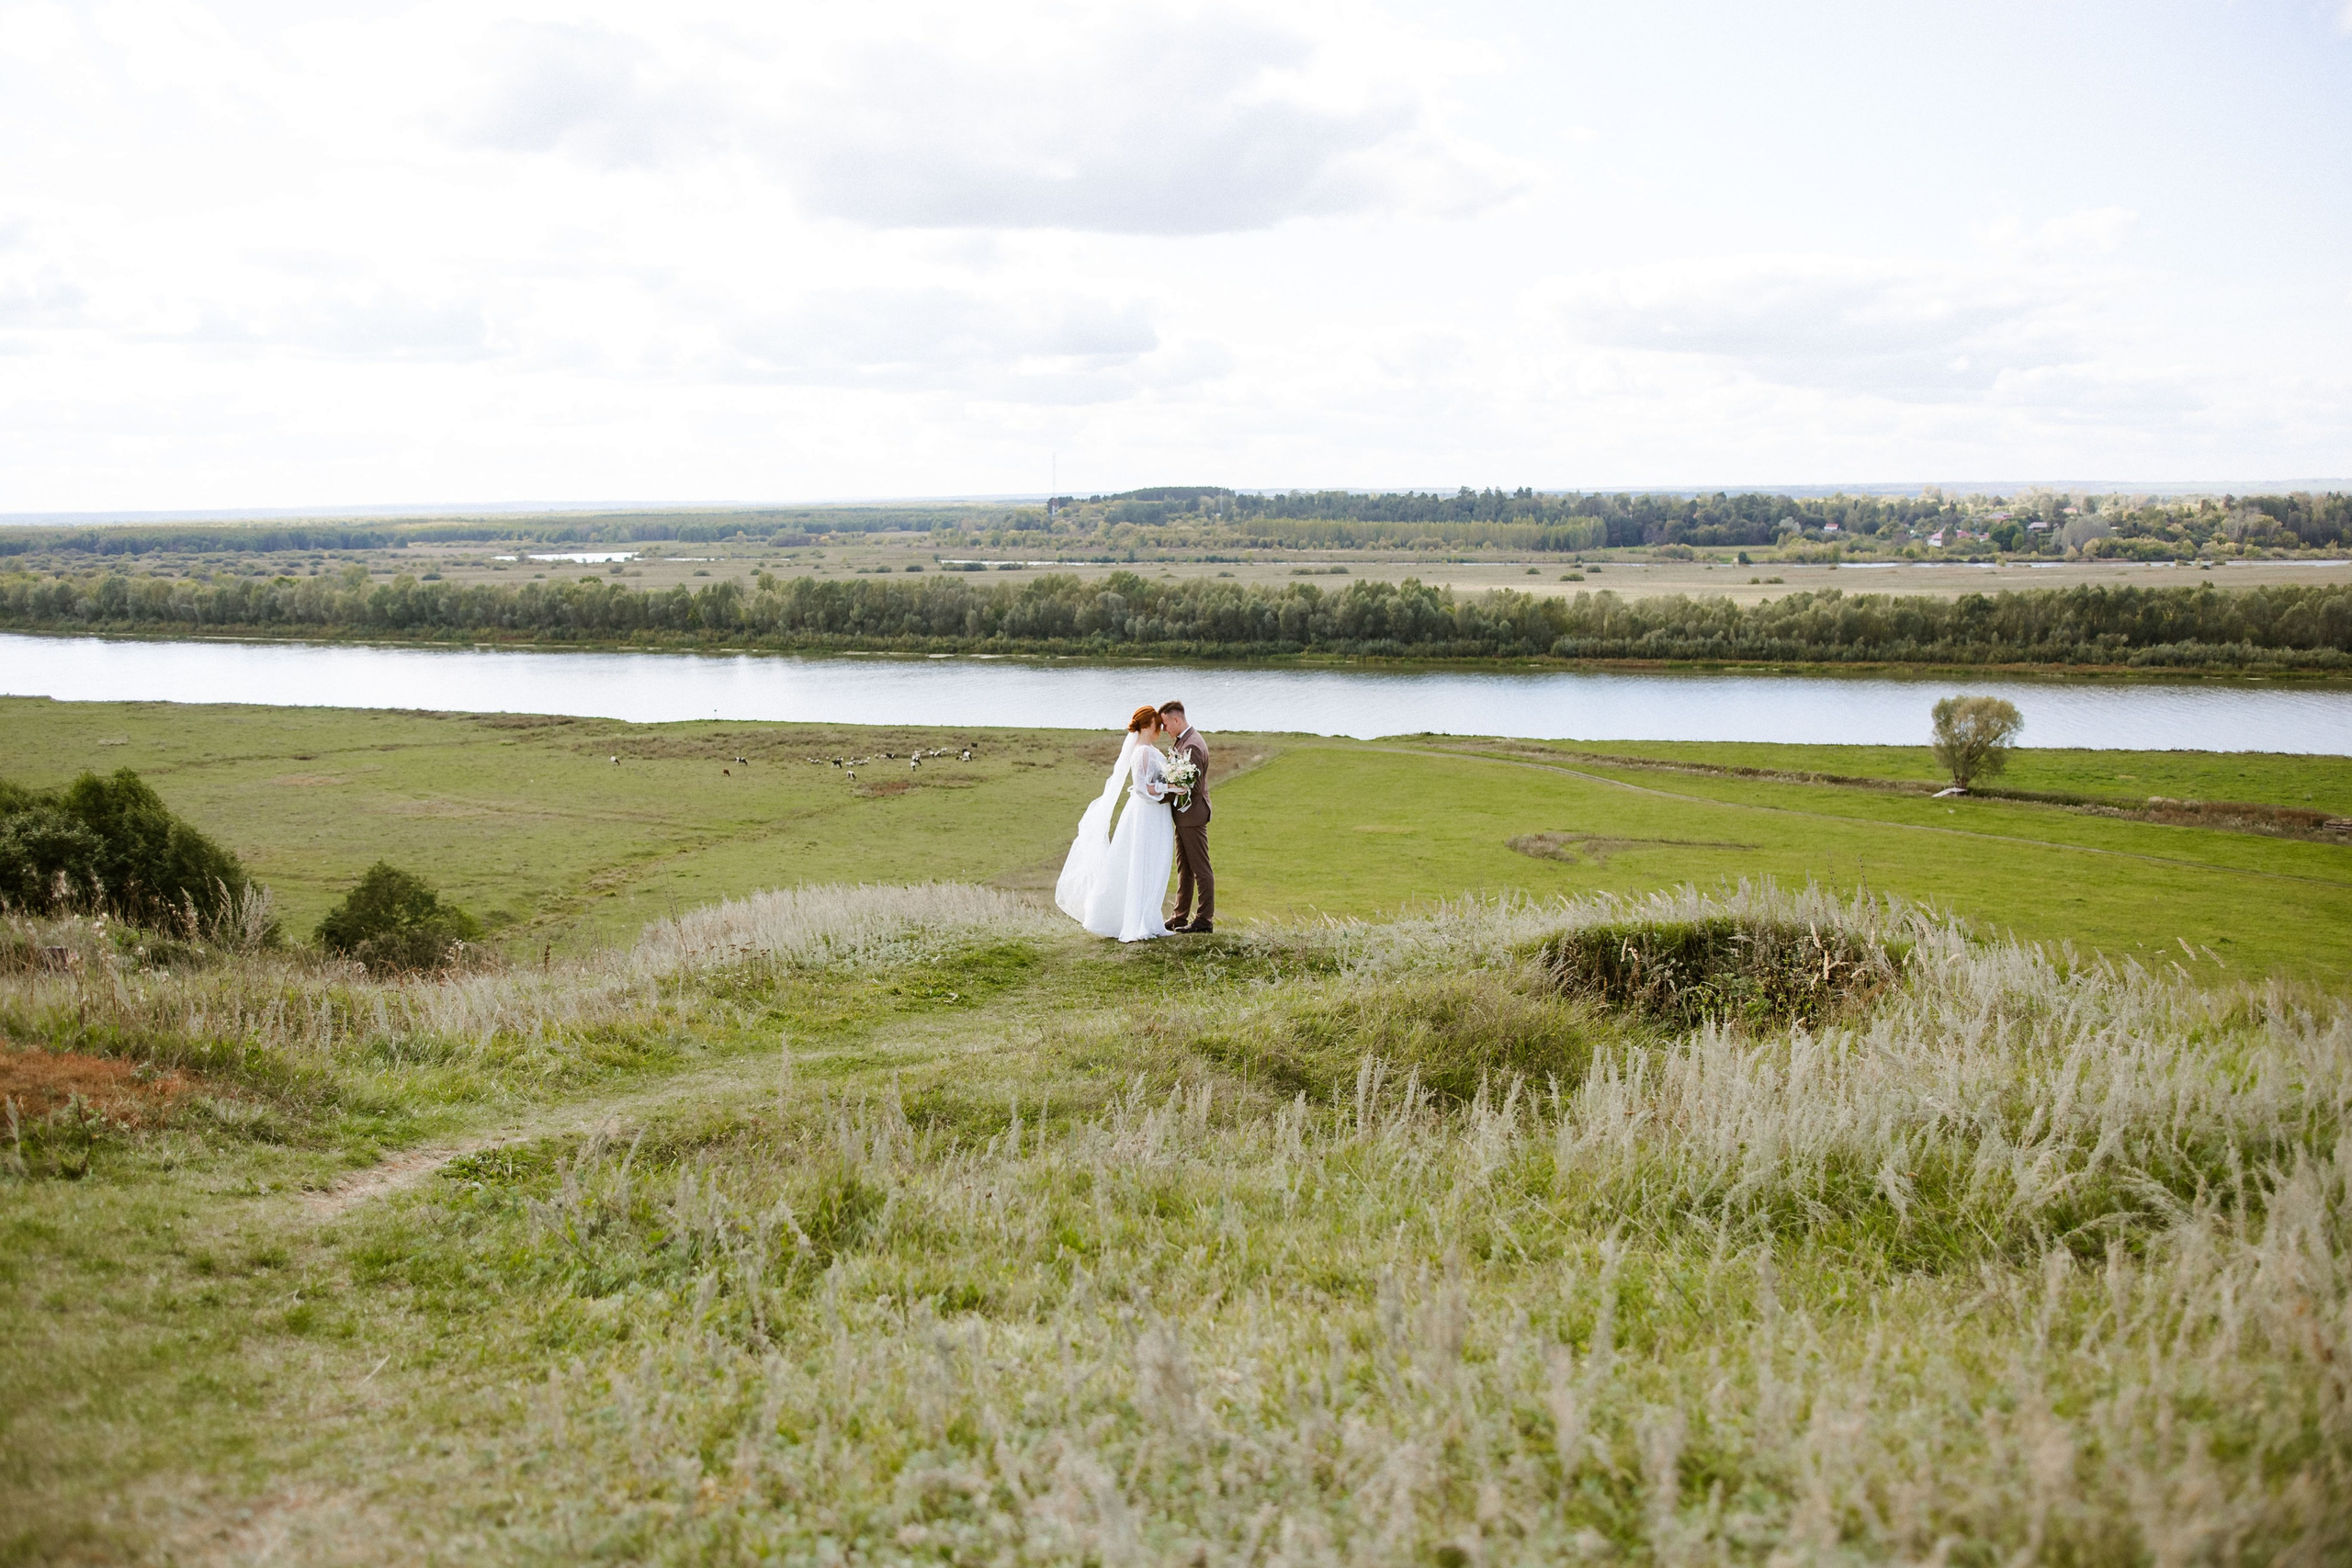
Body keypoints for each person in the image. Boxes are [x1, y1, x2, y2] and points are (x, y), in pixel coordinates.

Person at [1053, 705, 1178, 942]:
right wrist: (1170, 788)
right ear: (1144, 726)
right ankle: (1136, 922)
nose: (1159, 729)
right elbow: (1142, 788)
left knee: (1154, 864)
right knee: (1141, 863)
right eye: (1156, 724)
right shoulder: (1142, 752)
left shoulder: (1149, 750)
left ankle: (1149, 918)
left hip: (1155, 812)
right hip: (1145, 814)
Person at [1159, 700, 1212, 933]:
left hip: (1192, 816)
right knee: (1184, 868)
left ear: (1176, 720)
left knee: (1201, 869)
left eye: (1165, 724)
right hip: (1183, 816)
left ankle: (1204, 921)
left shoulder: (1194, 746)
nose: (1163, 730)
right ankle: (1179, 917)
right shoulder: (1183, 741)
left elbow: (1194, 788)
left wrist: (1159, 795)